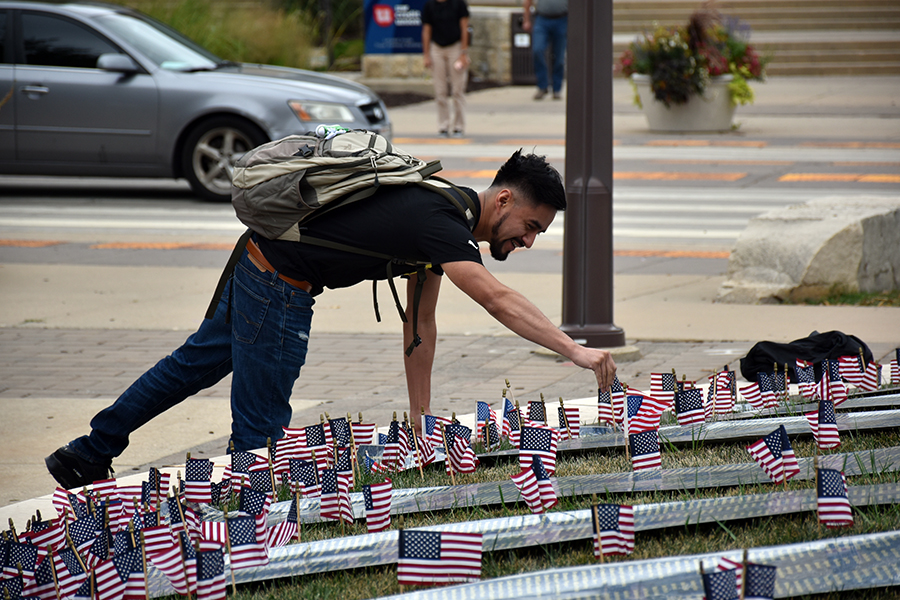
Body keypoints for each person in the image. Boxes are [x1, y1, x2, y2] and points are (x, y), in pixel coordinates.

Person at [45, 150, 617, 489]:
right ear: (503, 201)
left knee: (193, 365)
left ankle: (90, 452)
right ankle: (252, 548)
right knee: (261, 434)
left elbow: (420, 328)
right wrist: (576, 350)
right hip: (277, 284)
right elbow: (496, 298)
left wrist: (420, 422)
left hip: (259, 259)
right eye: (532, 226)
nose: (529, 241)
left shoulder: (438, 217)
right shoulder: (439, 222)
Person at [422, 0, 470, 138]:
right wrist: (426, 54)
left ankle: (459, 126)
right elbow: (426, 30)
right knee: (440, 90)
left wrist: (463, 52)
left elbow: (464, 27)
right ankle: (443, 125)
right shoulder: (430, 5)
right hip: (437, 48)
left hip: (455, 47)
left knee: (457, 90)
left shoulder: (458, 3)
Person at [522, 0, 568, 100]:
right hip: (542, 19)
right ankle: (542, 86)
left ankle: (557, 89)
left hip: (562, 19)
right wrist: (526, 19)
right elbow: (528, 1)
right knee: (537, 50)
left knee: (559, 56)